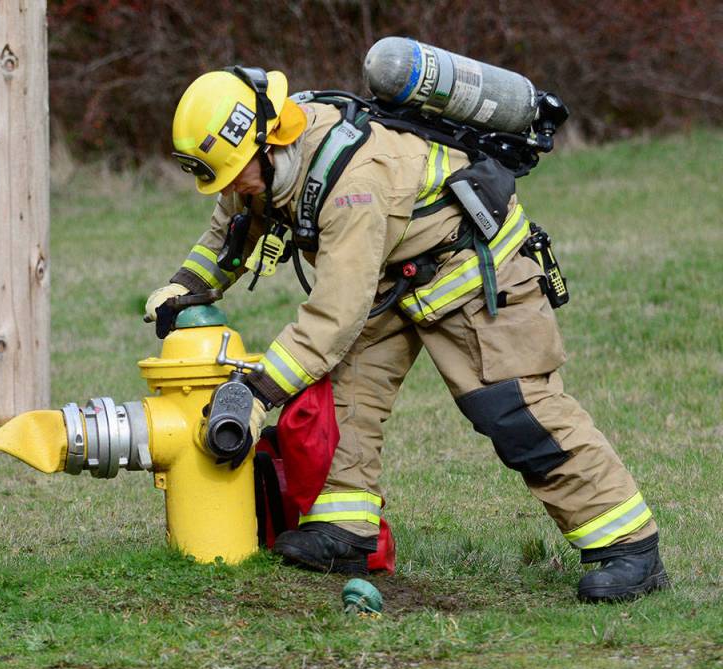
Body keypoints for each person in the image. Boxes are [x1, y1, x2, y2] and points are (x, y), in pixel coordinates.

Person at [145, 66, 668, 602]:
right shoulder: (264, 155)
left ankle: (628, 546)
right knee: (340, 395)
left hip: (470, 269)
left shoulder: (355, 181)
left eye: (233, 174)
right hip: (390, 274)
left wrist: (255, 393)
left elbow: (333, 316)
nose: (230, 186)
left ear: (269, 141)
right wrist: (186, 286)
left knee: (516, 409)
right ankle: (344, 530)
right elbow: (231, 227)